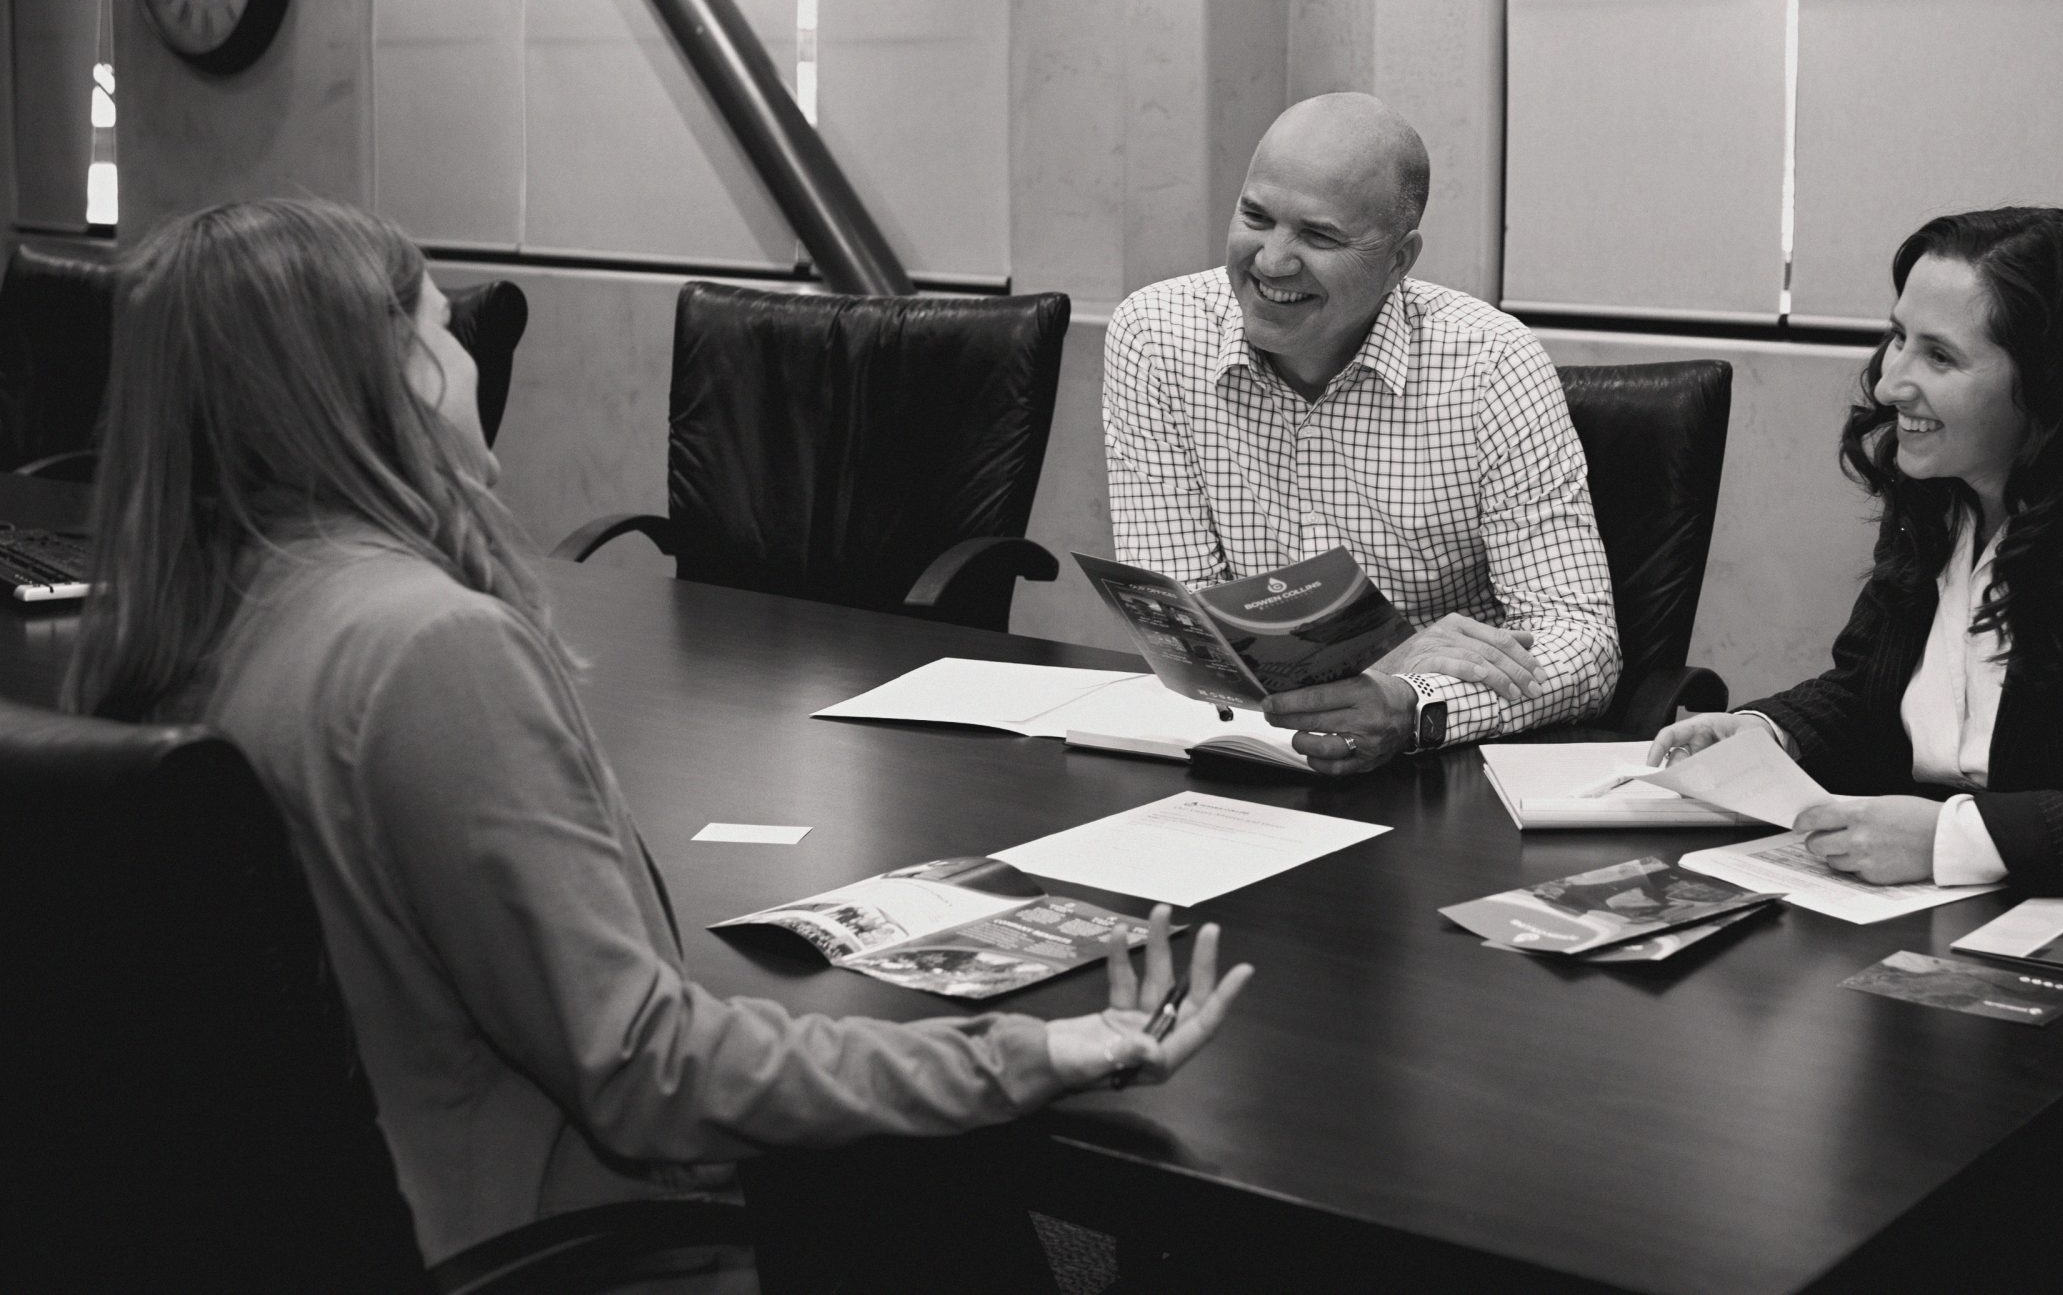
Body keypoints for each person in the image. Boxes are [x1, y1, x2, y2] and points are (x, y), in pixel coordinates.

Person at [62, 199, 1253, 1286]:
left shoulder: (166, 626)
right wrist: (1024, 1053)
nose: (467, 359)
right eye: (444, 326)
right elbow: (647, 1069)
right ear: (399, 372)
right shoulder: (429, 649)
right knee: (930, 1185)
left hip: (307, 1229)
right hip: (536, 1242)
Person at [1651, 207, 2063, 897]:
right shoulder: (1939, 489)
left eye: (1940, 356)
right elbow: (1872, 690)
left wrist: (1952, 838)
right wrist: (1766, 734)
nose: (1890, 383)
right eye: (1899, 337)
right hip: (1918, 899)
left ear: (2055, 383)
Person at [1104, 92, 1620, 775]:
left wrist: (1414, 704)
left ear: (1398, 261)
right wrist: (1395, 658)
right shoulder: (1156, 336)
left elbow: (1584, 644)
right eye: (1256, 217)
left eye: (1319, 237)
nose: (1272, 262)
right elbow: (1183, 633)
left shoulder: (1492, 365)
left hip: (1441, 777)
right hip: (1250, 756)